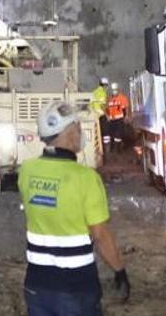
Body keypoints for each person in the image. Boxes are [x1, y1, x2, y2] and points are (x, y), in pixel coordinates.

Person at [19, 101, 129, 315]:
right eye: (77, 127)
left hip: (36, 285)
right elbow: (100, 235)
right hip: (76, 286)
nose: (81, 132)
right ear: (68, 133)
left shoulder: (27, 171)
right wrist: (119, 270)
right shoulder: (85, 178)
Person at [104, 83, 130, 153]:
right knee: (107, 134)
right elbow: (105, 108)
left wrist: (126, 116)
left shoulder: (122, 98)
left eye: (115, 90)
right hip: (111, 120)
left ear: (118, 90)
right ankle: (108, 148)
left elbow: (125, 108)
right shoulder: (108, 99)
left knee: (118, 135)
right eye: (113, 90)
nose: (114, 91)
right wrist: (107, 116)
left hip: (119, 119)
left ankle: (117, 149)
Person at [91, 77, 109, 146]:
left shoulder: (94, 92)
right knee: (105, 132)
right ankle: (106, 147)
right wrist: (107, 115)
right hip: (100, 113)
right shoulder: (102, 93)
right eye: (106, 85)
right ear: (105, 85)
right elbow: (102, 105)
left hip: (93, 114)